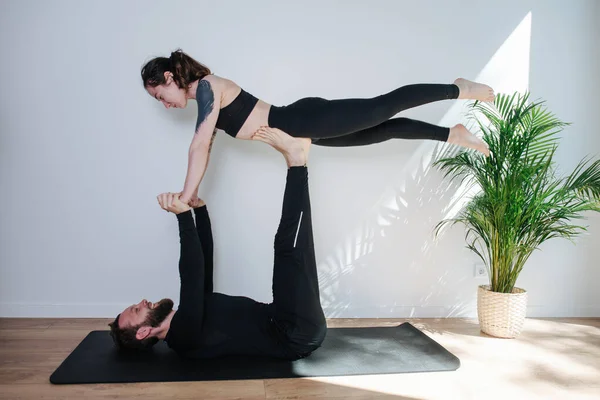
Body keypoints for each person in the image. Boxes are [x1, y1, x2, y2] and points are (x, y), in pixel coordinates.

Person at [141, 49, 495, 205]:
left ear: (170, 77)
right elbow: (207, 146)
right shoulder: (206, 98)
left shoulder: (206, 86)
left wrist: (186, 196)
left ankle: (459, 88)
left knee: (382, 107)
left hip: (301, 120)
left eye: (160, 95)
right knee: (381, 130)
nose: (165, 104)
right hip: (301, 130)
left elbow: (198, 146)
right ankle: (453, 134)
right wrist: (195, 194)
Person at [109, 127, 326, 360]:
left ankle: (297, 161)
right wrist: (182, 217)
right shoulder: (182, 337)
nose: (142, 302)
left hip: (282, 315)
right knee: (288, 248)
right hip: (294, 332)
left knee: (286, 246)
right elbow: (190, 273)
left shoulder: (190, 316)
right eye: (136, 310)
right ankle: (296, 162)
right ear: (144, 331)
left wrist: (199, 211)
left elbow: (203, 263)